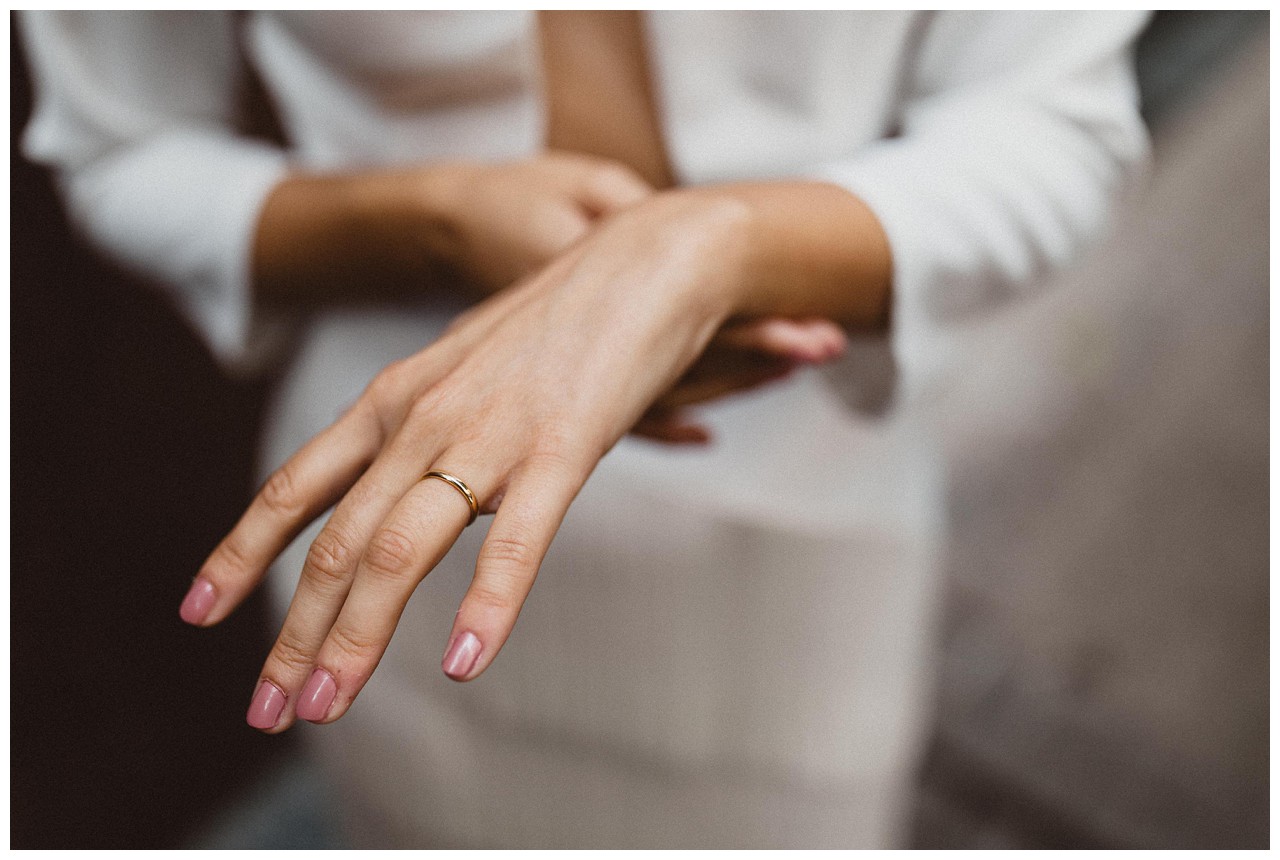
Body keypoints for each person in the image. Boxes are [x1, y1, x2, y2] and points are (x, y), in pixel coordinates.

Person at [20, 11, 1150, 848]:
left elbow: (1053, 123)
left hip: (797, 549)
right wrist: (436, 219)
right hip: (401, 560)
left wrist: (706, 249)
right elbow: (118, 149)